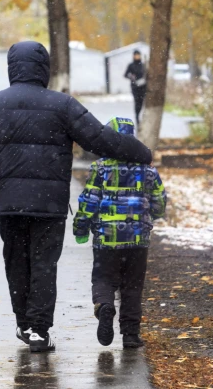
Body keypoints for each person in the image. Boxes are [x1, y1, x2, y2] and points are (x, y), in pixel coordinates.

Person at [0, 41, 153, 353]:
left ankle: (24, 322)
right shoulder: (62, 105)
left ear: (12, 67)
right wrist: (140, 152)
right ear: (44, 69)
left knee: (16, 262)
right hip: (49, 205)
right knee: (43, 265)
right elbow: (100, 139)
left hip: (8, 205)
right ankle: (38, 328)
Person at [73, 117, 166, 348]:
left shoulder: (101, 168)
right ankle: (131, 335)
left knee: (104, 278)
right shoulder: (148, 170)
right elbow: (160, 201)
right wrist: (148, 217)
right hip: (138, 239)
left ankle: (105, 306)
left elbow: (89, 200)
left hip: (107, 237)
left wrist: (81, 226)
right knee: (132, 286)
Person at [124, 50, 147, 125]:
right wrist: (131, 77)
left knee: (141, 101)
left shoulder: (143, 65)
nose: (137, 56)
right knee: (137, 101)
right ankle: (137, 117)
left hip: (142, 86)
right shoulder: (131, 65)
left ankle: (140, 115)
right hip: (135, 87)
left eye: (138, 55)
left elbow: (146, 74)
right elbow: (125, 74)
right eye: (136, 55)